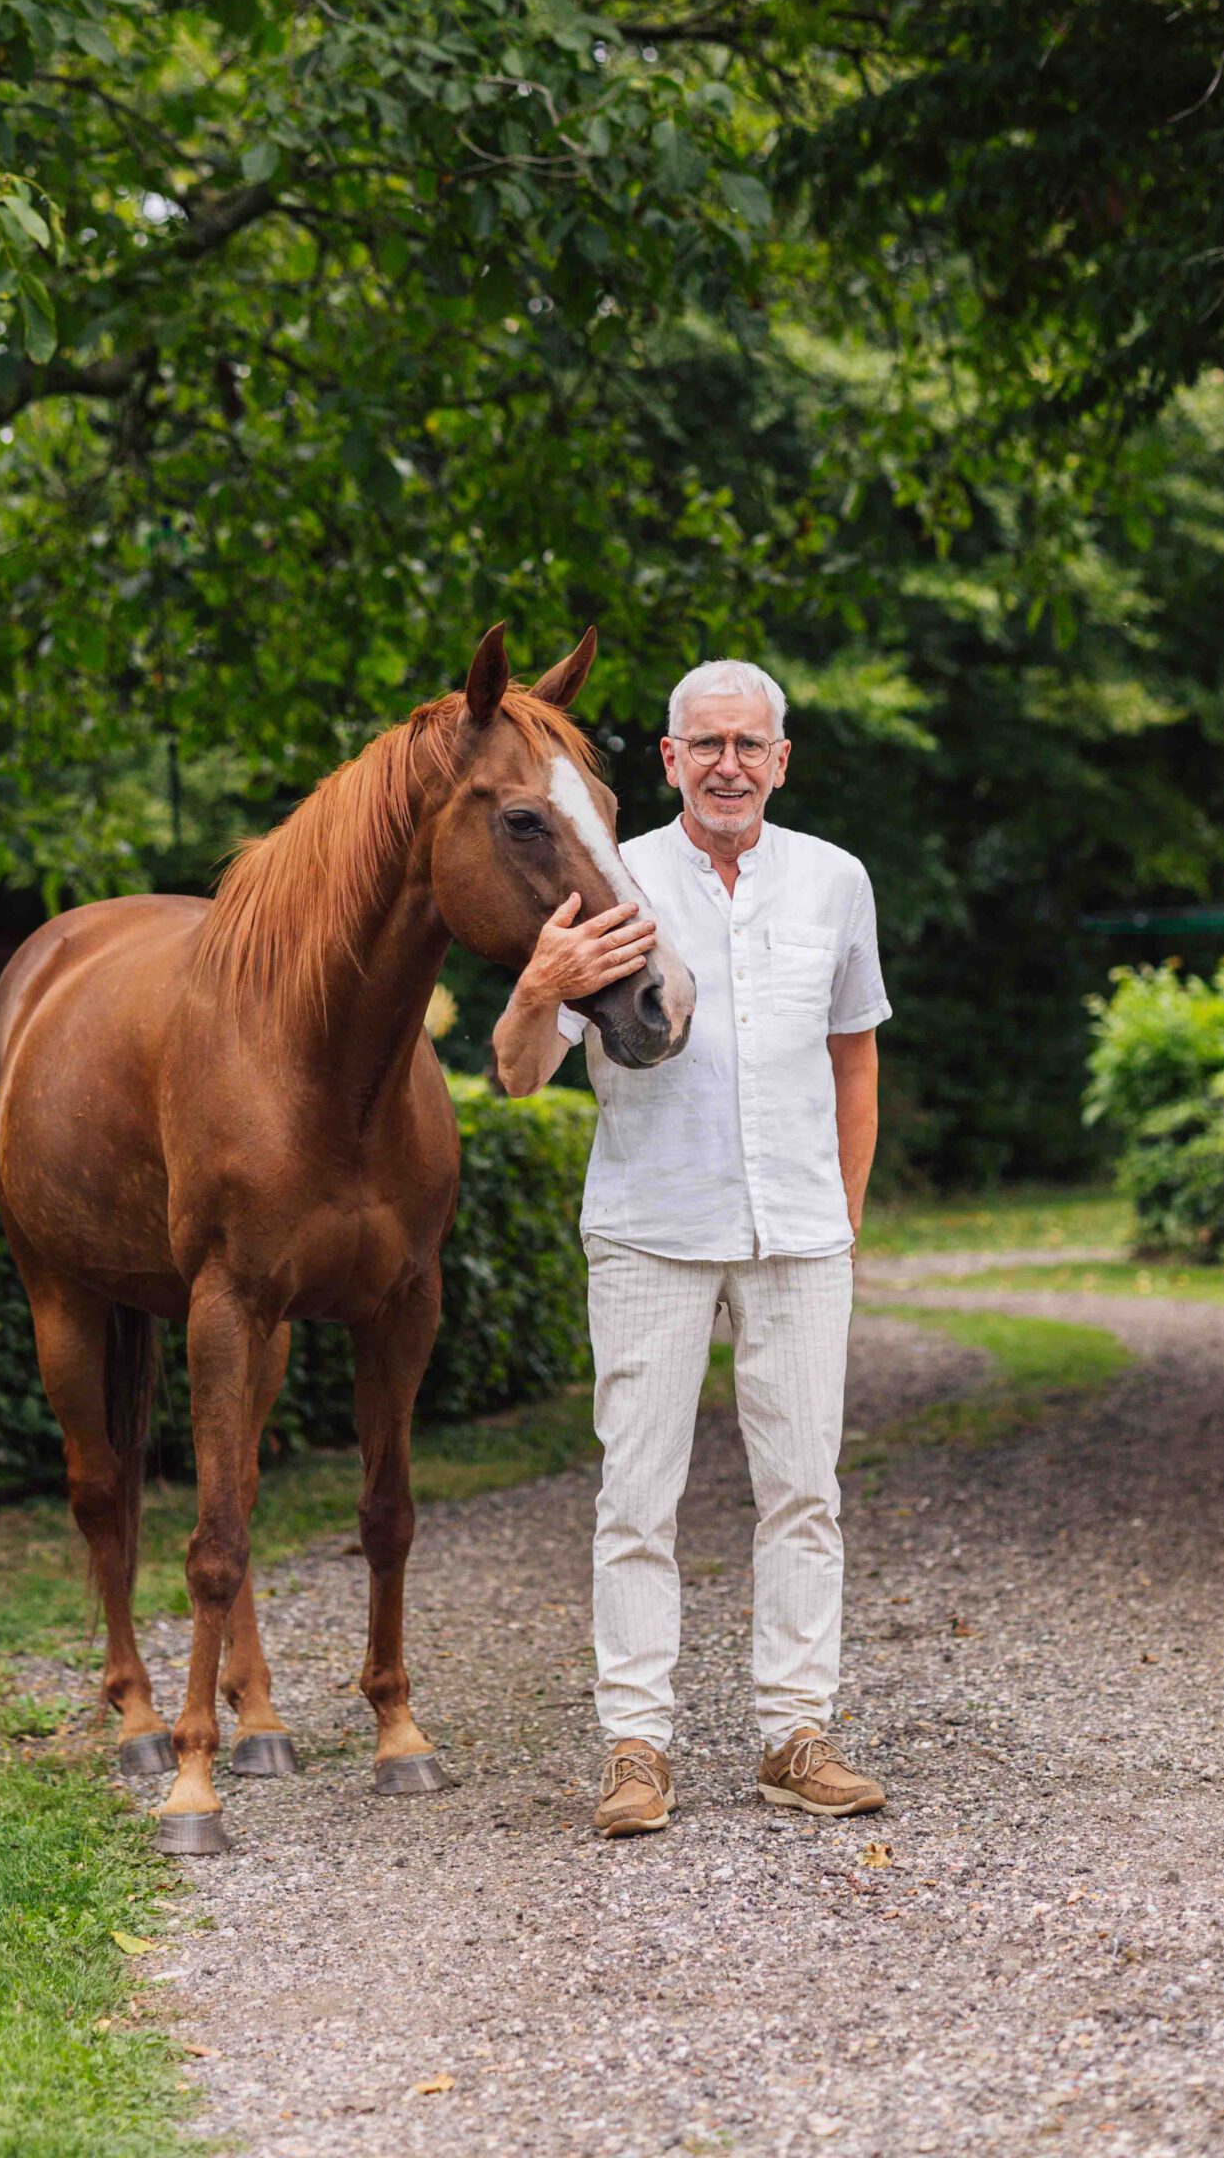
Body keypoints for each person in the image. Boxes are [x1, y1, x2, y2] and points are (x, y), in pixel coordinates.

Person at [491, 659, 890, 1835]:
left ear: (780, 760)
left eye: (748, 744)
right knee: (636, 1496)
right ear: (670, 759)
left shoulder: (835, 880)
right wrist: (538, 985)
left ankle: (796, 1734)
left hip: (799, 1235)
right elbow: (518, 1074)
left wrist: (844, 1217)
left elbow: (855, 1054)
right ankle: (636, 1747)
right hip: (650, 1232)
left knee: (804, 1490)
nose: (728, 763)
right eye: (705, 743)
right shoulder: (613, 879)